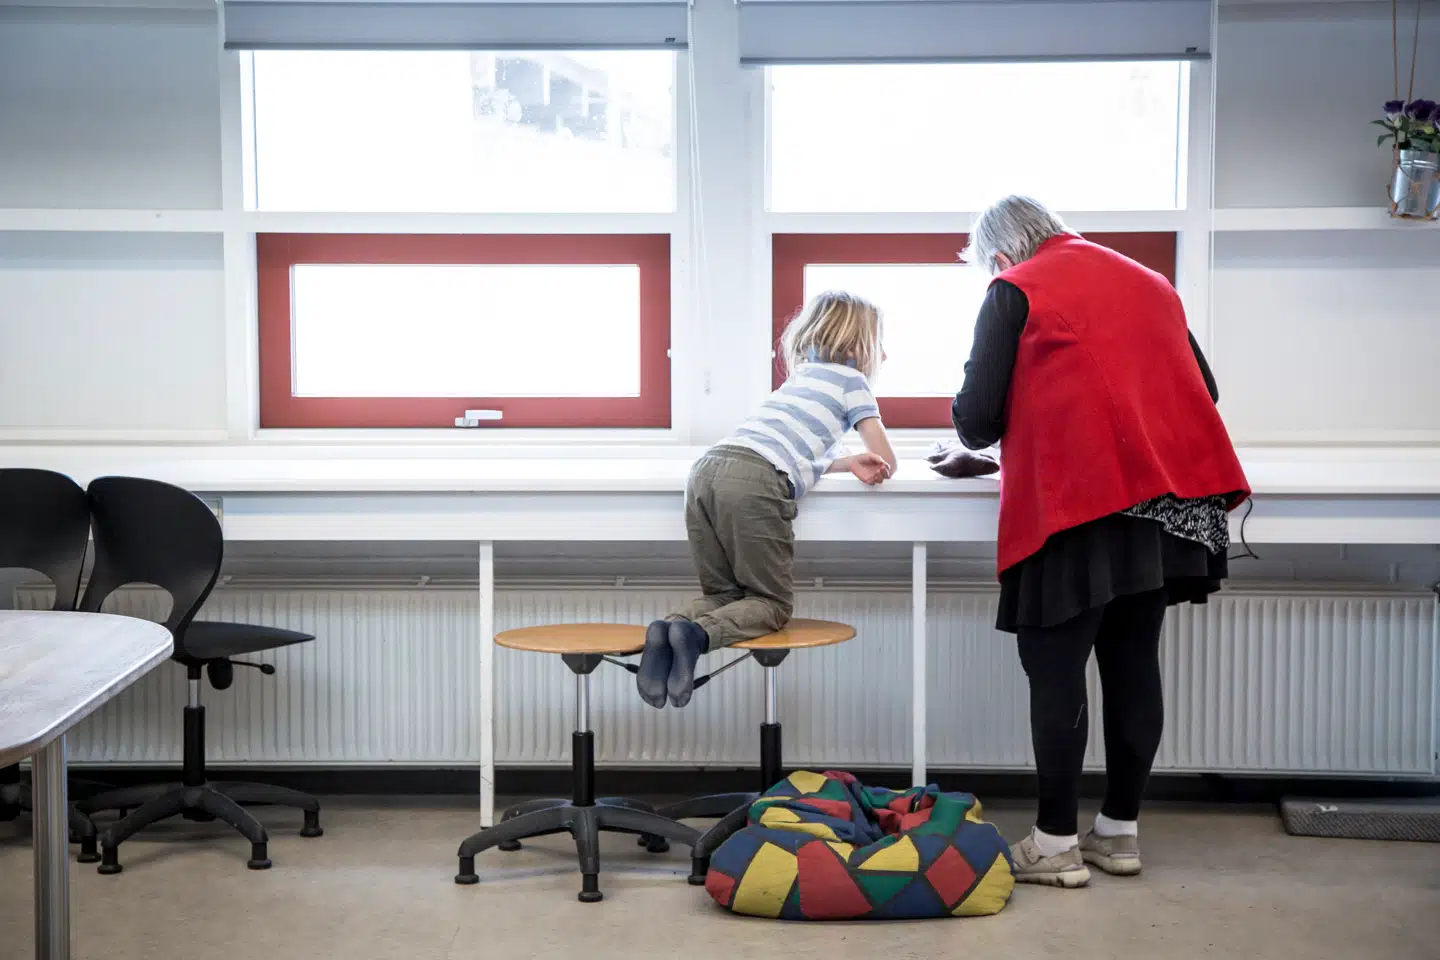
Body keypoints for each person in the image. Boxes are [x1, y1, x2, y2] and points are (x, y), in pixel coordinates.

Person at [949, 196, 1249, 888]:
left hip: (1078, 502)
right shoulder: (1149, 281)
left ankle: (1054, 842)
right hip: (1166, 503)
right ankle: (1118, 833)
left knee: (1054, 663)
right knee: (1132, 657)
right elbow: (1204, 387)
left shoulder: (1013, 288)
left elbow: (974, 422)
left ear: (1000, 256)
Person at [637, 291, 898, 710]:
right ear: (860, 347)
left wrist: (844, 461)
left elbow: (789, 448)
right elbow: (888, 459)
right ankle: (696, 637)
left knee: (725, 596)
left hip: (707, 471)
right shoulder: (854, 383)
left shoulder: (800, 380)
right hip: (755, 480)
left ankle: (668, 630)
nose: (884, 357)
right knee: (771, 605)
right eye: (880, 346)